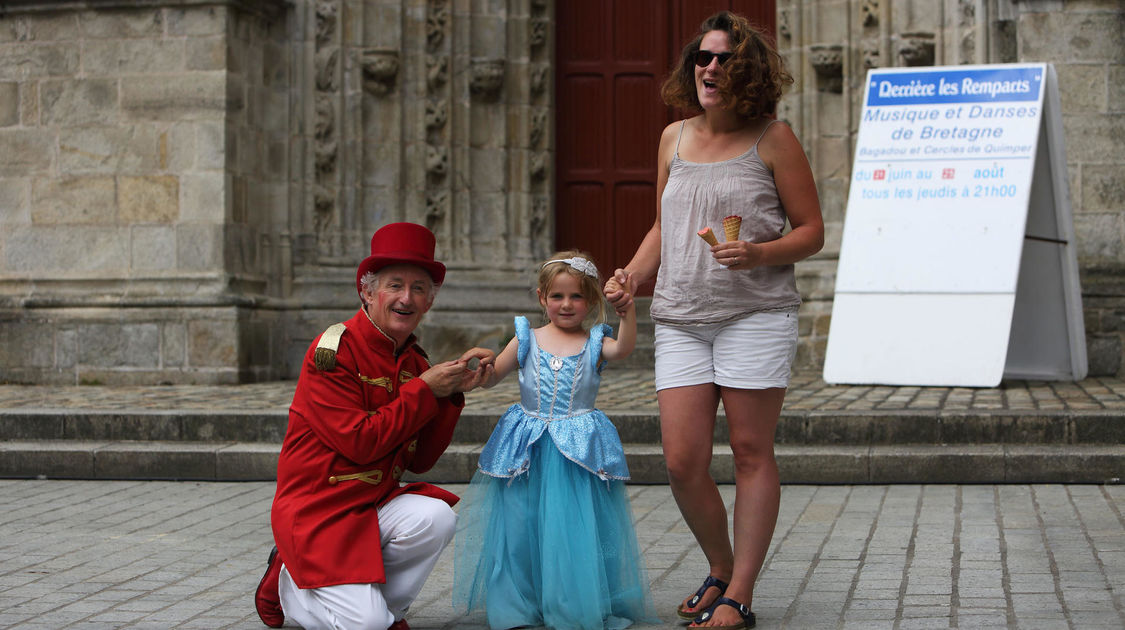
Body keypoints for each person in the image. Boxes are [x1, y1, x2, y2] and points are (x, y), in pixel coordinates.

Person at [604, 11, 824, 630]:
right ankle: (721, 566)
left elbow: (811, 233)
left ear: (747, 71)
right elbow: (661, 226)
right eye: (702, 57)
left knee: (751, 450)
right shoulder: (672, 137)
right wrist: (630, 275)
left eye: (724, 59)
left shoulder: (773, 139)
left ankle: (741, 595)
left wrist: (757, 253)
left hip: (754, 313)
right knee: (681, 460)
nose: (710, 67)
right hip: (681, 316)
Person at [254, 222, 496, 630]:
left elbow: (420, 461)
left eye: (419, 288)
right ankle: (287, 582)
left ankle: (381, 611)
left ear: (429, 301)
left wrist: (452, 393)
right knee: (365, 625)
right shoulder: (332, 350)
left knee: (436, 518)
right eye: (394, 285)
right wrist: (424, 390)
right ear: (367, 292)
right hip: (318, 515)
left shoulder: (417, 363)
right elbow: (361, 443)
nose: (406, 298)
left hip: (369, 508)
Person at [453, 250, 658, 630]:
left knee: (569, 530)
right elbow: (494, 373)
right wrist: (477, 367)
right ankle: (517, 605)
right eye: (557, 296)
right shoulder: (525, 338)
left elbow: (624, 349)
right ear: (541, 298)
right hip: (526, 447)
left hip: (575, 452)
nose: (566, 305)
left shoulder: (596, 340)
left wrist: (628, 314)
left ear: (591, 301)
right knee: (519, 524)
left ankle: (569, 602)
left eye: (577, 297)